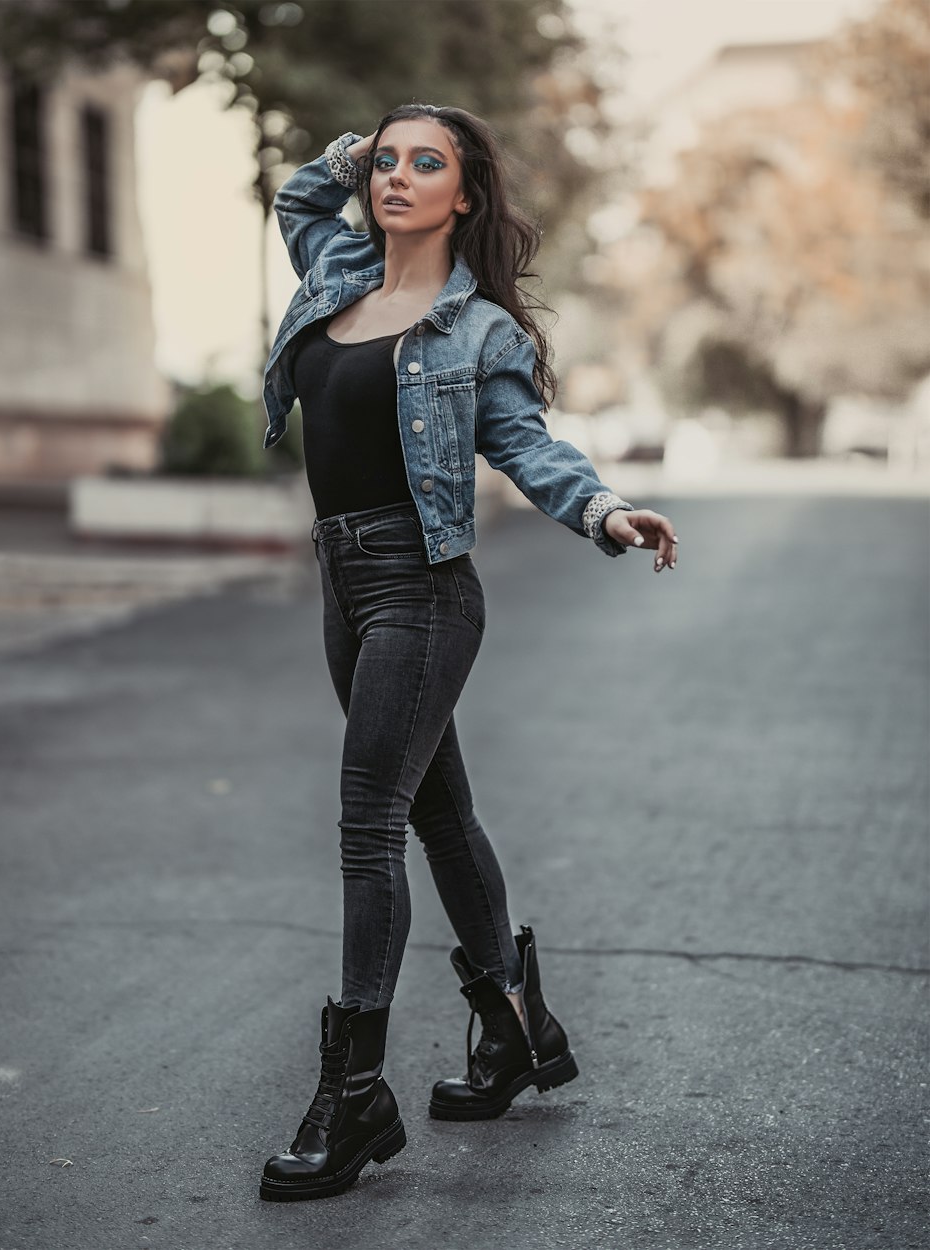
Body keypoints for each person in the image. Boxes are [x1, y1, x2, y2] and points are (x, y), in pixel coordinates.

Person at [257, 104, 678, 1203]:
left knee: (367, 822)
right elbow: (298, 196)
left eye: (423, 162)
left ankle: (353, 1097)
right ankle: (516, 1022)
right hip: (342, 581)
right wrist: (353, 148)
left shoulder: (476, 330)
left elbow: (529, 443)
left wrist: (602, 508)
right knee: (436, 811)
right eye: (385, 161)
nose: (394, 177)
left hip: (422, 588)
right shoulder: (338, 266)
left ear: (466, 195)